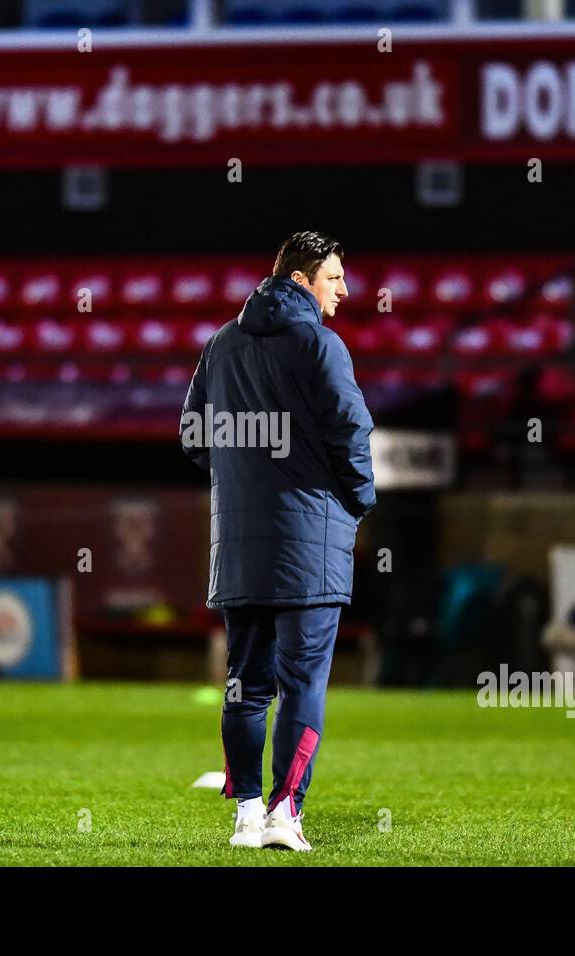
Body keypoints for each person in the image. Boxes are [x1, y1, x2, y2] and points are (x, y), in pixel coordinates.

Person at [180, 230, 375, 851]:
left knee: (244, 685)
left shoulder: (222, 343)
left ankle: (245, 816)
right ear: (302, 279)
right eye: (335, 277)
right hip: (310, 546)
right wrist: (359, 500)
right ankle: (286, 814)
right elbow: (350, 431)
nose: (344, 289)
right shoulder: (321, 345)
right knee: (303, 683)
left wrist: (245, 475)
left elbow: (192, 436)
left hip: (239, 546)